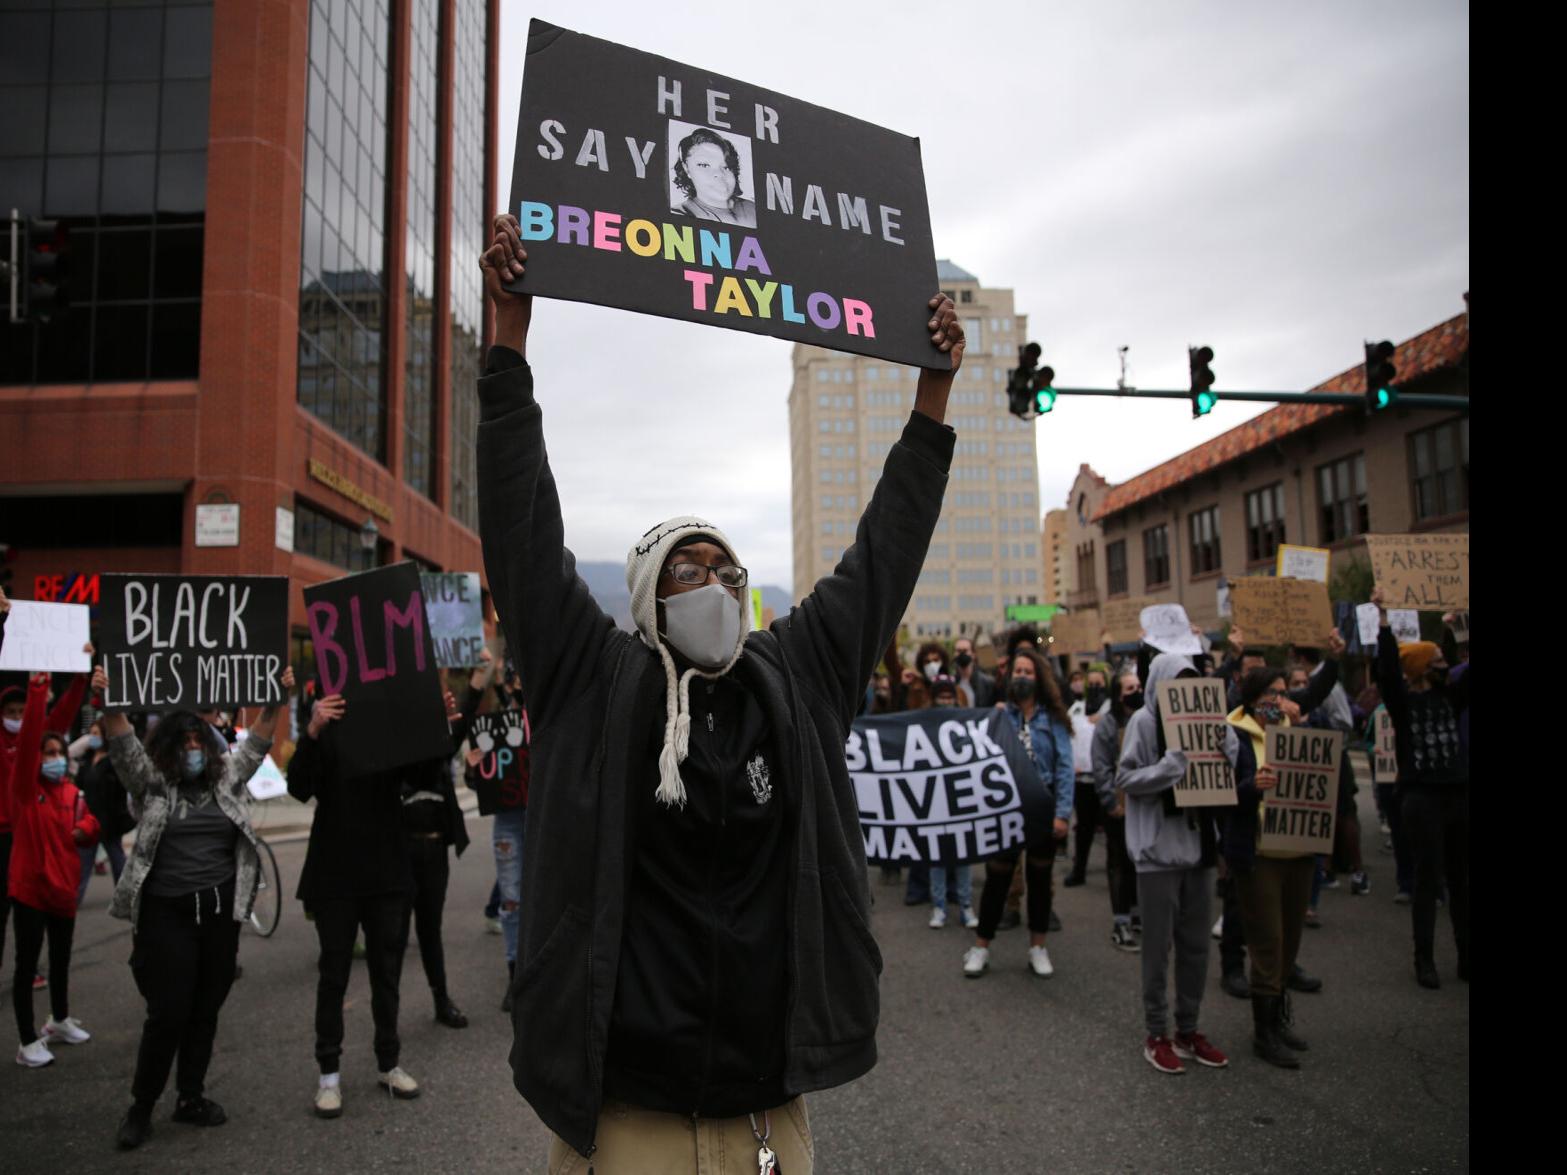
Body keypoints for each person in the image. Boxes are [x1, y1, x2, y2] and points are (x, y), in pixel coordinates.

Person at [477, 213, 962, 1171]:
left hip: (760, 1116)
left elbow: (883, 554)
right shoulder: (592, 675)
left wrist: (934, 390)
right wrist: (508, 339)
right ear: (650, 596)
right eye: (690, 571)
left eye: (728, 569)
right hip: (628, 1114)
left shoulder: (797, 677)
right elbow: (523, 531)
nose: (717, 586)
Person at [94, 664, 293, 1148]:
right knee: (169, 1010)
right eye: (182, 743)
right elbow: (121, 742)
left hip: (219, 912)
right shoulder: (152, 784)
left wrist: (277, 697)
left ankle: (190, 1096)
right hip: (167, 913)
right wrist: (108, 700)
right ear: (167, 749)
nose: (191, 751)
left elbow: (260, 740)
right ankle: (141, 1105)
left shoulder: (227, 779)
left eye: (198, 741)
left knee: (206, 1006)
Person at [287, 689, 426, 1117]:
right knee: (334, 976)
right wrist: (311, 733)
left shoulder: (390, 726)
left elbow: (423, 773)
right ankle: (329, 1074)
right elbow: (298, 787)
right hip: (335, 874)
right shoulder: (327, 723)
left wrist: (434, 724)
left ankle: (389, 1062)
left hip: (385, 873)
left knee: (387, 973)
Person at [1119, 652, 1236, 1075]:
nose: (1185, 688)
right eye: (1178, 680)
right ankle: (1156, 1033)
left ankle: (1189, 1029)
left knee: (1197, 948)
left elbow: (1229, 769)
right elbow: (1125, 778)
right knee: (1157, 950)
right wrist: (1169, 768)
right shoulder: (1144, 723)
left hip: (1199, 850)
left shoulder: (1209, 722)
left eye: (1192, 680)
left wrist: (1223, 742)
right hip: (1158, 856)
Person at [1370, 585, 1468, 989]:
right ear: (1425, 669)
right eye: (1439, 660)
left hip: (1459, 795)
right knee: (1428, 881)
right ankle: (1424, 960)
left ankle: (1465, 957)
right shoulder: (1402, 703)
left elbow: (1460, 661)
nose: (1446, 664)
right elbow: (1389, 670)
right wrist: (1384, 623)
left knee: (1462, 881)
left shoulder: (1454, 695)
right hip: (1420, 799)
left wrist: (1455, 625)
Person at [961, 647, 1073, 978]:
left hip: (1043, 808)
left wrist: (1063, 814)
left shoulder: (1053, 720)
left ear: (1038, 678)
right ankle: (981, 947)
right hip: (1004, 809)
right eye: (1017, 672)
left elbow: (1064, 767)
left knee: (1039, 880)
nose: (1021, 677)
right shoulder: (998, 717)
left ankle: (1038, 947)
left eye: (1028, 672)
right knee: (997, 879)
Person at [1224, 666, 1314, 1069]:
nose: (1280, 700)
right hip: (1259, 855)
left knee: (1290, 943)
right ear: (1253, 698)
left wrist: (1299, 729)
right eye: (1272, 694)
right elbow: (1217, 792)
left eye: (1284, 692)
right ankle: (1264, 1035)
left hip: (1297, 852)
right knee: (1268, 943)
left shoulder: (1294, 729)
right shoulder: (1232, 735)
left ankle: (1277, 1020)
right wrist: (1250, 788)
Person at [8, 672, 100, 1068]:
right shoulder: (26, 792)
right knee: (27, 965)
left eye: (56, 752)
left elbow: (91, 820)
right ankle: (27, 1040)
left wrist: (87, 827)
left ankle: (58, 1019)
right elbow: (28, 740)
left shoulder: (71, 792)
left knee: (61, 959)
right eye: (45, 754)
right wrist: (37, 691)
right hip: (31, 891)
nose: (52, 759)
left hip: (62, 891)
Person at [1, 589, 89, 985]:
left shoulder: (38, 737)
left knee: (27, 907)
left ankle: (29, 968)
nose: (19, 718)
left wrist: (82, 674)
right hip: (2, 832)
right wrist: (5, 622)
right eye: (11, 713)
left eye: (23, 712)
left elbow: (62, 715)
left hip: (28, 832)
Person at [1091, 671, 1144, 951]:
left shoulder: (1147, 721)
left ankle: (1136, 913)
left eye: (1138, 686)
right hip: (1119, 808)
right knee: (1119, 863)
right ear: (1118, 694)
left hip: (1142, 808)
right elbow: (1100, 767)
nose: (1136, 691)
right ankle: (1120, 920)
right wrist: (1111, 802)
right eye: (1129, 688)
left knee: (1138, 861)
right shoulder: (1108, 725)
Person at [925, 675, 977, 930]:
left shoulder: (965, 724)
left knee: (963, 855)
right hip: (935, 800)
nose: (945, 701)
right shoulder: (922, 726)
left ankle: (966, 904)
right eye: (941, 697)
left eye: (949, 697)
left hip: (961, 799)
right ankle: (939, 905)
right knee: (938, 857)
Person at [1064, 665, 1111, 887]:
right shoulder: (1076, 709)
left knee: (1112, 829)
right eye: (1090, 684)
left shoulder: (1112, 710)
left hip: (1107, 780)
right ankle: (1079, 869)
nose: (1094, 688)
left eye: (1098, 684)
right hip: (1083, 779)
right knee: (1084, 827)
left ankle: (1115, 870)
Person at [670, 127, 757, 227]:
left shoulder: (753, 208)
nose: (719, 174)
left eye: (726, 167)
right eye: (704, 165)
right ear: (687, 169)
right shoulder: (679, 215)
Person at [951, 635, 995, 708]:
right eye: (958, 651)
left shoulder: (988, 683)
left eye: (965, 651)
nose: (962, 654)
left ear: (973, 654)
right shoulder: (951, 683)